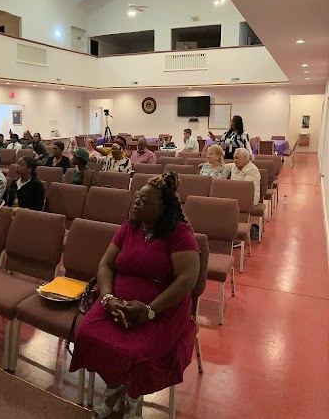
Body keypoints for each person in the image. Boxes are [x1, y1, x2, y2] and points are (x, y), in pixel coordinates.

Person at [70, 172, 200, 418]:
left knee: (138, 353)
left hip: (163, 309)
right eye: (137, 198)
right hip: (116, 301)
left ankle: (133, 395)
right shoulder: (130, 227)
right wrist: (107, 298)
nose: (136, 203)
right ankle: (114, 387)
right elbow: (106, 264)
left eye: (145, 201)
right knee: (87, 334)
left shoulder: (179, 233)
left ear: (162, 208)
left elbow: (187, 280)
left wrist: (150, 310)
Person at [226, 148, 261, 239]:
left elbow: (244, 190)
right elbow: (223, 166)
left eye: (237, 158)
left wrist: (226, 187)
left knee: (225, 204)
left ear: (246, 158)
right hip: (234, 195)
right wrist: (207, 165)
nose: (234, 161)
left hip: (249, 198)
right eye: (234, 158)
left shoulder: (252, 170)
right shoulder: (234, 165)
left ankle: (235, 234)